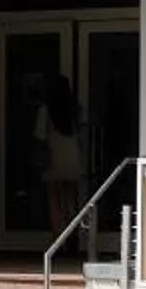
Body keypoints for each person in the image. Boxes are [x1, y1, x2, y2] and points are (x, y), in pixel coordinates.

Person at [34, 72, 86, 235]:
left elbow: (40, 136)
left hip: (54, 156)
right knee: (69, 198)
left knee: (54, 200)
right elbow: (81, 133)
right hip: (72, 156)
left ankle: (58, 235)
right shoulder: (75, 109)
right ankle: (72, 231)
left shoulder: (46, 110)